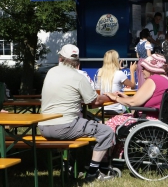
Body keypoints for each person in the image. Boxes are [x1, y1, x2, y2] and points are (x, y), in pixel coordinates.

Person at [38, 44, 116, 182]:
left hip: (43, 127)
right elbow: (94, 102)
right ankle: (92, 173)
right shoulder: (78, 77)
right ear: (77, 61)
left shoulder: (50, 72)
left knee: (81, 125)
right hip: (64, 127)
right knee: (106, 131)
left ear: (60, 58)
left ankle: (68, 165)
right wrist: (111, 97)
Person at [105, 54, 168, 132]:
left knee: (111, 123)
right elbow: (145, 99)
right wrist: (126, 97)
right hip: (163, 119)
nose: (142, 70)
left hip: (148, 120)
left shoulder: (153, 79)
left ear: (151, 68)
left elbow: (133, 102)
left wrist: (115, 98)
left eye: (144, 68)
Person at [95, 50, 137, 114]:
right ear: (116, 60)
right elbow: (133, 86)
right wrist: (132, 71)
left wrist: (118, 69)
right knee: (135, 104)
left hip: (102, 108)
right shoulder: (119, 74)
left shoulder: (99, 72)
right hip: (117, 108)